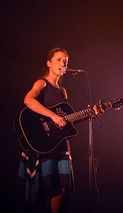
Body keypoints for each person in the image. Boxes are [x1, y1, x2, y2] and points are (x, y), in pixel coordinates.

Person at [16, 48, 102, 213]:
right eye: (59, 59)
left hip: (60, 144)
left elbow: (67, 121)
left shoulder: (63, 91)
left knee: (62, 188)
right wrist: (53, 116)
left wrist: (91, 113)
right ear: (49, 63)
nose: (63, 63)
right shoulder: (42, 83)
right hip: (44, 143)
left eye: (65, 60)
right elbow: (28, 100)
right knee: (46, 188)